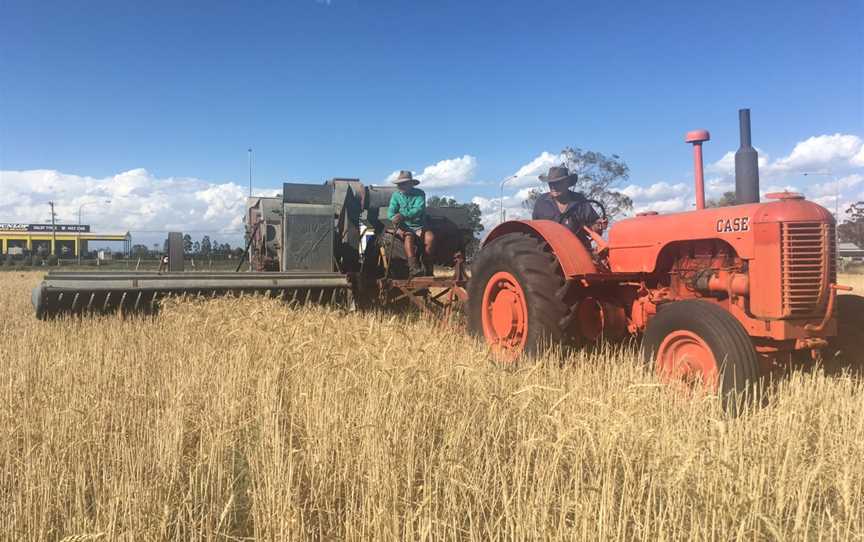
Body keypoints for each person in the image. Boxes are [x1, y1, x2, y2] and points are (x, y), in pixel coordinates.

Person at [532, 166, 605, 248]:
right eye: (551, 183)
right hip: (549, 250)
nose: (553, 187)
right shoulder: (541, 202)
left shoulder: (579, 200)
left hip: (577, 249)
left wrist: (598, 226)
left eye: (557, 183)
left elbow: (594, 227)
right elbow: (534, 230)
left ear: (567, 183)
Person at [388, 170, 435, 277]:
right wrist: (395, 219)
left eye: (402, 184)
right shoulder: (396, 196)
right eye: (399, 184)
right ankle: (413, 267)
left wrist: (403, 215)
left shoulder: (420, 193)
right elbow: (390, 213)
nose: (400, 186)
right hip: (405, 227)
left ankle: (427, 266)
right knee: (409, 237)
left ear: (410, 184)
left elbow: (418, 209)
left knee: (430, 238)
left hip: (420, 226)